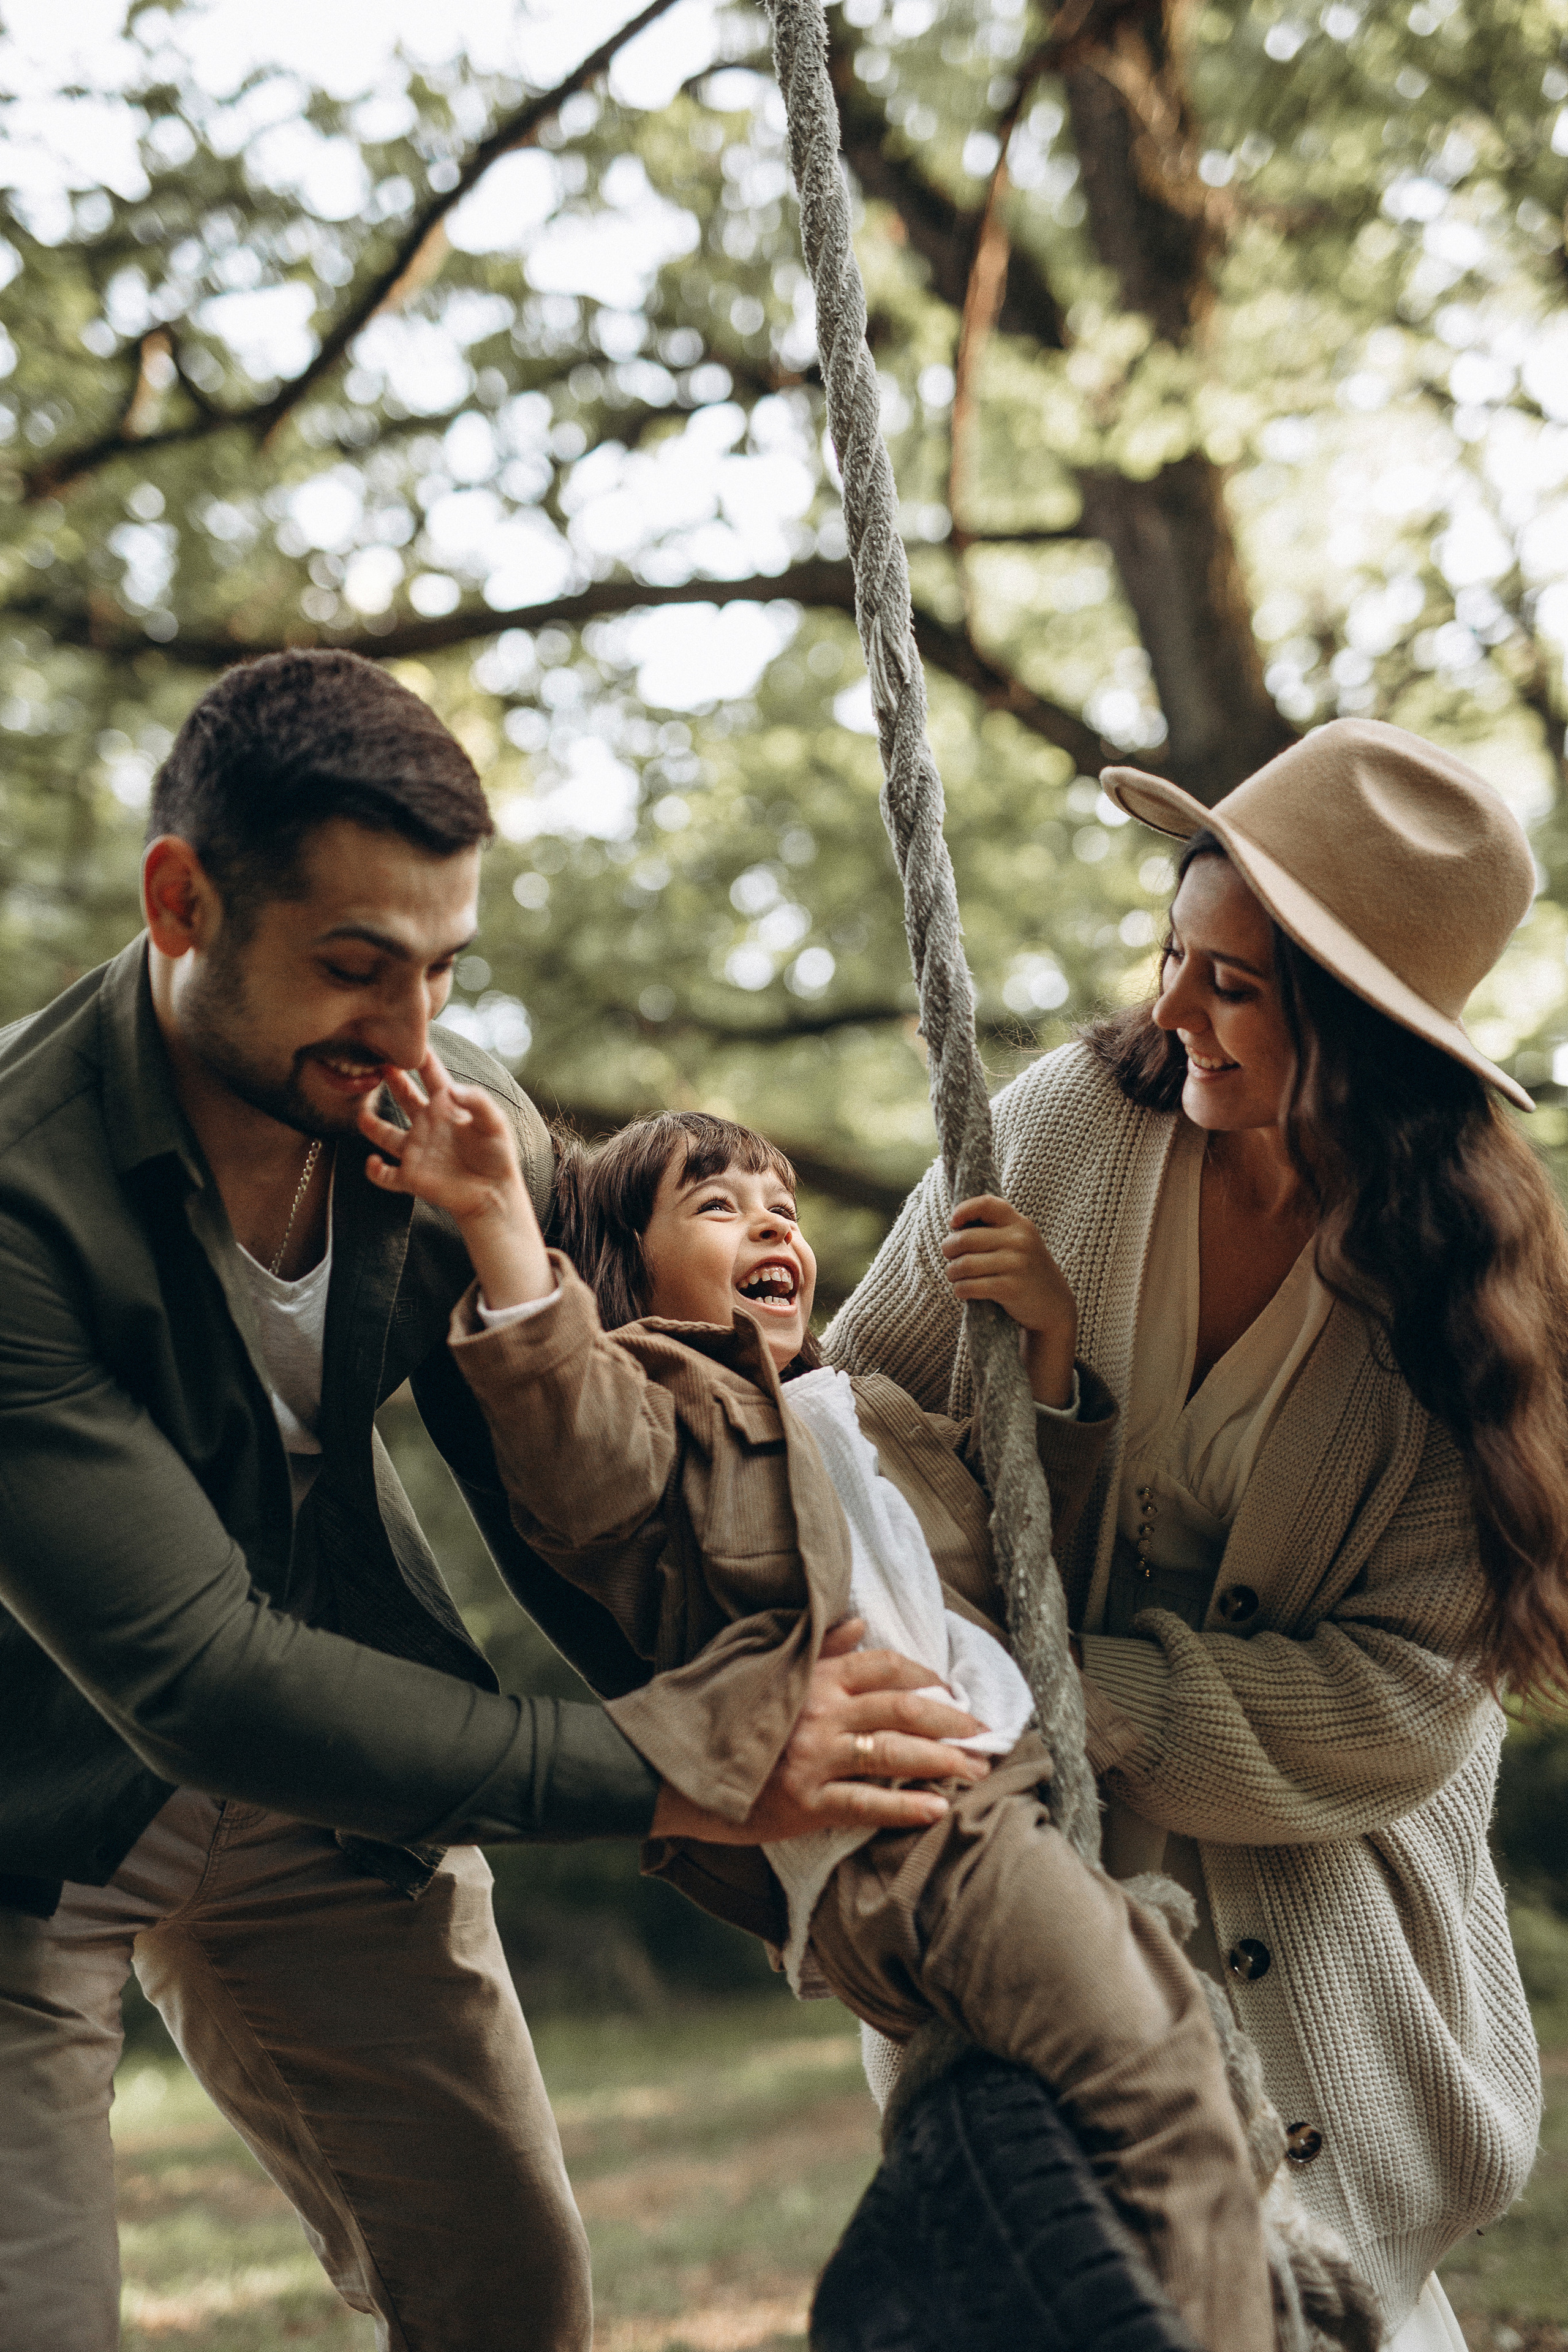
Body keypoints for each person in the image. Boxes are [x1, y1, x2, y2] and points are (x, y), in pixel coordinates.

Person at [0, 648, 988, 2352]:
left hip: (335, 1788)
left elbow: (578, 1496)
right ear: (181, 902)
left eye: (444, 973)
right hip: (27, 1813)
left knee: (513, 2294)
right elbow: (201, 1680)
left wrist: (817, 1745)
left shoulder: (456, 1136)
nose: (408, 1036)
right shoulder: (19, 1200)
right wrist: (683, 1771)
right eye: (356, 969)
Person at [824, 718, 1556, 2351]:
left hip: (1335, 1949)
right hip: (1052, 1906)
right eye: (1174, 950)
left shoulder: (1465, 1298)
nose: (1168, 1008)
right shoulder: (1063, 1134)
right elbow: (856, 1431)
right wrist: (1042, 1409)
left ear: (1365, 1029)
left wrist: (1094, 1694)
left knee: (1330, 2311)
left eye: (1230, 984)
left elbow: (1410, 1700)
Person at [356, 1072, 1283, 2352]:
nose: (773, 1226)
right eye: (719, 1204)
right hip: (896, 1832)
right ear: (620, 1269)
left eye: (782, 1205)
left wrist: (1051, 1353)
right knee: (1162, 2088)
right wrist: (497, 1216)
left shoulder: (866, 1411)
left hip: (1001, 1806)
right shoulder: (655, 1413)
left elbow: (1027, 1563)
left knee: (1150, 2100)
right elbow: (565, 1440)